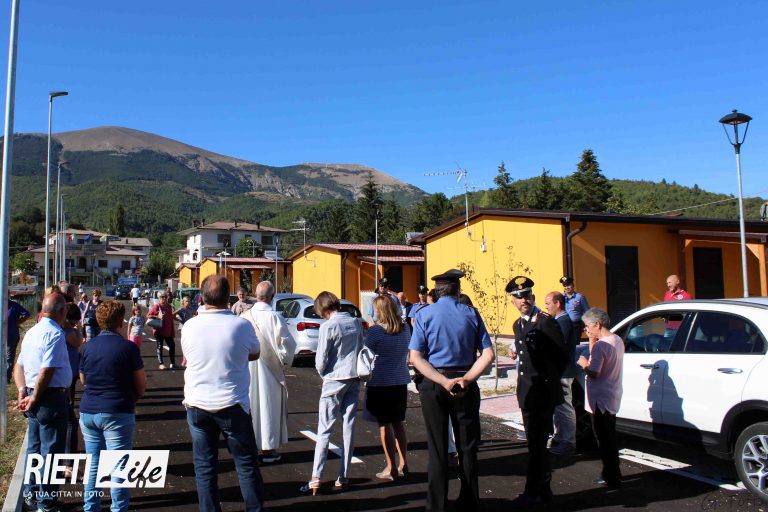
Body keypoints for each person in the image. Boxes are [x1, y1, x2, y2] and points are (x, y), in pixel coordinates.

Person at [409, 269, 494, 512]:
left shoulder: (424, 314)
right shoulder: (471, 313)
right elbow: (488, 354)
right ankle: (469, 502)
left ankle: (436, 505)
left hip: (435, 383)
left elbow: (416, 357)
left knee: (438, 448)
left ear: (437, 292)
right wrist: (466, 379)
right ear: (458, 291)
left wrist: (442, 381)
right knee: (467, 448)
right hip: (464, 382)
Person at [182, 275, 264, 511]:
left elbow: (189, 355)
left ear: (202, 296)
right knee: (246, 464)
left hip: (198, 404)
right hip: (232, 404)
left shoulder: (190, 326)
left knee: (205, 467)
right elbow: (255, 352)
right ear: (228, 297)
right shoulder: (241, 325)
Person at [79, 300, 146, 512]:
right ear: (120, 322)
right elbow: (141, 384)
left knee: (94, 465)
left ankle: (91, 507)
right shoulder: (128, 348)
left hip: (89, 411)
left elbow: (83, 380)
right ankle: (118, 508)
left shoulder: (87, 347)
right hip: (117, 409)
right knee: (119, 466)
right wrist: (132, 398)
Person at [506, 276, 567, 509]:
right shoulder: (518, 324)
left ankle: (532, 492)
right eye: (519, 297)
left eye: (527, 295)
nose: (524, 300)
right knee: (535, 444)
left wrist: (547, 381)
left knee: (537, 445)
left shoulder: (545, 322)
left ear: (532, 296)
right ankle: (544, 490)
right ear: (512, 301)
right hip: (527, 392)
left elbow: (561, 356)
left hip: (542, 392)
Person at [301, 291, 364, 495]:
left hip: (334, 379)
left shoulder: (328, 326)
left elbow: (320, 360)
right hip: (353, 377)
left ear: (322, 309)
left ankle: (316, 478)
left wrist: (324, 374)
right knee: (349, 428)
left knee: (325, 429)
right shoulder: (355, 322)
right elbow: (361, 349)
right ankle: (343, 477)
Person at [14, 293, 72, 512]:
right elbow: (46, 371)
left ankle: (31, 495)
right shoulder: (55, 334)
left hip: (32, 393)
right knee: (51, 454)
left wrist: (23, 392)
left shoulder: (32, 332)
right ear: (61, 311)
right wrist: (35, 397)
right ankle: (46, 504)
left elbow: (19, 366)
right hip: (49, 397)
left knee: (35, 449)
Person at [241, 281, 297, 464]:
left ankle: (249, 449)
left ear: (256, 295)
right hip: (271, 371)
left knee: (250, 407)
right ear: (272, 297)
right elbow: (287, 345)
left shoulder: (244, 317)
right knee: (268, 408)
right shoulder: (275, 317)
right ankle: (268, 449)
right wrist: (285, 360)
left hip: (246, 369)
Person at [365, 295, 412, 481]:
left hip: (380, 382)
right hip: (400, 380)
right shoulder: (405, 328)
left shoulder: (375, 332)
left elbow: (365, 353)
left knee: (384, 425)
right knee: (398, 423)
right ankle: (403, 463)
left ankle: (391, 467)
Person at [577, 308, 624, 488]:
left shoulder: (601, 346)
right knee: (609, 436)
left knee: (604, 439)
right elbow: (597, 358)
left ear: (597, 324)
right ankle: (613, 472)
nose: (586, 329)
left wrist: (583, 364)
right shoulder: (616, 340)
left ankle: (611, 475)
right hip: (611, 394)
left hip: (599, 399)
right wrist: (591, 341)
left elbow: (594, 371)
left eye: (588, 326)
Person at [543, 291, 578, 456]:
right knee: (558, 407)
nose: (546, 307)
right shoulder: (559, 321)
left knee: (564, 407)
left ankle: (568, 441)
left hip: (563, 371)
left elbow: (556, 346)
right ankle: (559, 437)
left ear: (557, 303)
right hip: (558, 371)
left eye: (548, 303)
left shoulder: (563, 322)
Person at [63, 303, 84, 478]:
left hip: (68, 376)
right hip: (65, 378)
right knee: (70, 421)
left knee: (67, 417)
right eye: (73, 321)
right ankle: (68, 465)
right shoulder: (67, 332)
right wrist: (77, 328)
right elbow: (79, 340)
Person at [147, 291, 176, 370]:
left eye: (165, 297)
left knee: (172, 346)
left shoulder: (169, 307)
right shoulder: (157, 306)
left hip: (168, 330)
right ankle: (161, 364)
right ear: (158, 298)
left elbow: (170, 320)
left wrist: (172, 331)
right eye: (162, 297)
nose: (164, 298)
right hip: (159, 330)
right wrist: (157, 317)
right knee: (160, 346)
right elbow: (148, 315)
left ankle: (172, 363)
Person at [6, 298, 30, 383]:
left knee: (9, 357)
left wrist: (18, 322)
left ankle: (6, 378)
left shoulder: (14, 306)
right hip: (2, 335)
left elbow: (27, 314)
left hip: (11, 335)